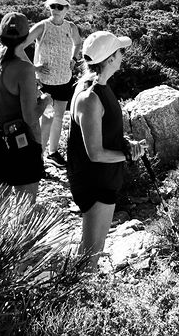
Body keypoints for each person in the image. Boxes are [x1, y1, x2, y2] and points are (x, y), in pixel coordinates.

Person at [67, 31, 146, 271]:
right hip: (94, 180)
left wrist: (125, 143)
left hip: (104, 178)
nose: (123, 55)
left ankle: (82, 291)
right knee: (91, 251)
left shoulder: (99, 87)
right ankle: (78, 297)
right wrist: (131, 155)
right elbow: (95, 153)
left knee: (94, 249)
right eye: (120, 51)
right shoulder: (89, 97)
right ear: (110, 59)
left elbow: (103, 132)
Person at [0, 12, 47, 201]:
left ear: (0, 34)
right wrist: (45, 102)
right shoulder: (24, 68)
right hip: (20, 141)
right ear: (26, 39)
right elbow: (30, 118)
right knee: (25, 206)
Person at [20, 0, 82, 166]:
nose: (55, 9)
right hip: (44, 82)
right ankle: (37, 157)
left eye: (59, 6)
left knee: (59, 117)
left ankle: (53, 153)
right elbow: (20, 46)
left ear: (67, 8)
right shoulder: (42, 26)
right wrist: (33, 67)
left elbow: (78, 43)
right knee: (46, 120)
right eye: (52, 6)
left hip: (64, 79)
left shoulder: (71, 27)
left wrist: (74, 59)